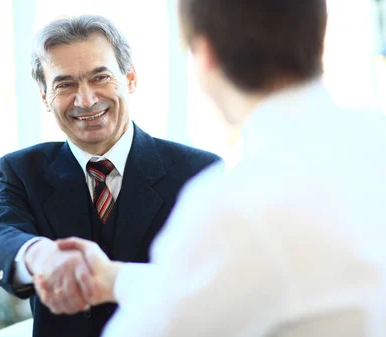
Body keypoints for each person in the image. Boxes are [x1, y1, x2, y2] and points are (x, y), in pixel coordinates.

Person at [55, 0, 386, 336]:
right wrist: (115, 278)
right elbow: (226, 282)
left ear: (205, 53)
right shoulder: (375, 140)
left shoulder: (236, 206)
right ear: (320, 27)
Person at [0, 14, 221, 337]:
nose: (85, 99)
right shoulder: (22, 170)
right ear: (45, 97)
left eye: (100, 78)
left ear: (130, 79)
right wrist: (39, 255)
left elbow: (211, 285)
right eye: (65, 84)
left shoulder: (198, 173)